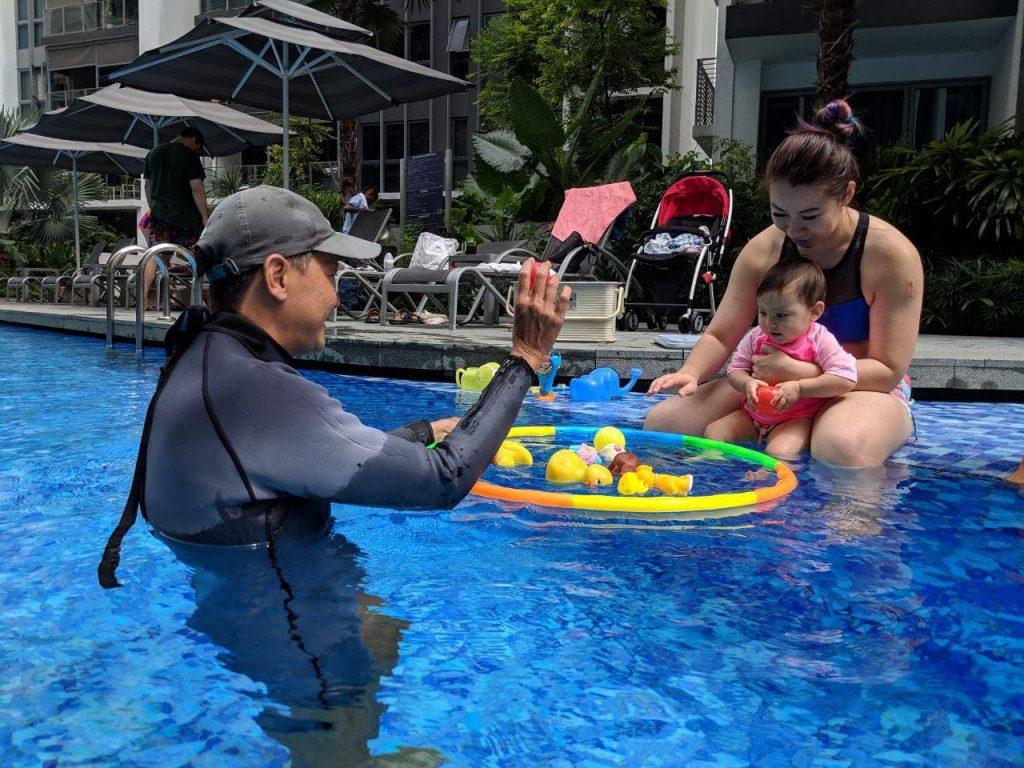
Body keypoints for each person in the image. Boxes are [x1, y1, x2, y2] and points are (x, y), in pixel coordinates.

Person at [98, 185, 569, 586]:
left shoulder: (207, 360)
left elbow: (313, 456)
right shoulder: (260, 391)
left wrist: (423, 431)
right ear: (277, 276)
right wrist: (525, 358)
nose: (336, 295)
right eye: (330, 272)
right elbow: (443, 481)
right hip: (303, 651)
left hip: (250, 608)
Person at [645, 100, 923, 467]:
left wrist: (803, 376)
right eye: (780, 214)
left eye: (809, 216)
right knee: (664, 424)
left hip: (861, 385)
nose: (793, 229)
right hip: (771, 381)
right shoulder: (764, 250)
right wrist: (690, 372)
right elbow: (720, 335)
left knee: (842, 445)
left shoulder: (889, 256)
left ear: (846, 194)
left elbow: (888, 369)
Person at [708, 258, 858, 458]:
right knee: (713, 433)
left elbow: (845, 378)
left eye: (781, 316)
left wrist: (799, 388)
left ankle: (767, 479)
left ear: (814, 311)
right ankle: (716, 475)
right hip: (752, 416)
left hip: (796, 420)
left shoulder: (818, 339)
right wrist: (746, 383)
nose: (770, 324)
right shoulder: (756, 336)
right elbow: (735, 370)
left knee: (780, 452)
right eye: (763, 313)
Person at [141, 126, 210, 309]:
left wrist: (153, 208)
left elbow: (147, 186)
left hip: (160, 218)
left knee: (155, 257)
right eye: (196, 147)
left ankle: (143, 300)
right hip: (187, 219)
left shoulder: (152, 154)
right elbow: (196, 188)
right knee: (196, 257)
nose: (195, 150)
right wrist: (204, 216)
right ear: (192, 140)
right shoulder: (189, 156)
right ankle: (209, 303)